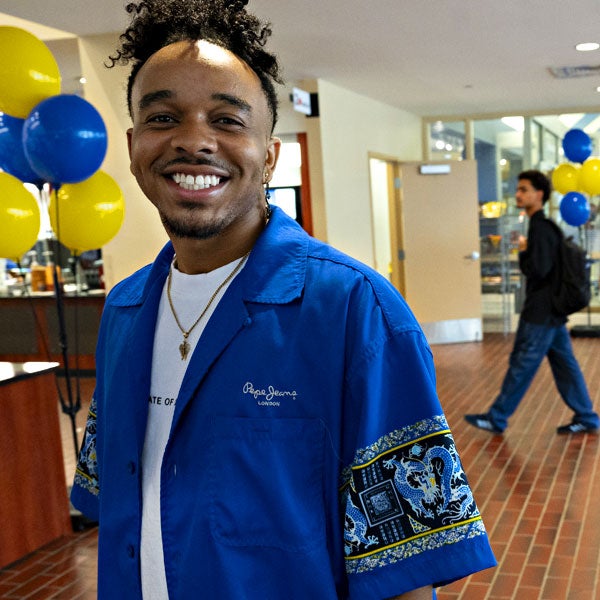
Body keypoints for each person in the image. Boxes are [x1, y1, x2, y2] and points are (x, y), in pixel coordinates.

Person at [70, 1, 496, 598]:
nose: (194, 141)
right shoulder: (124, 311)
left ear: (269, 155)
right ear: (135, 145)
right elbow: (116, 504)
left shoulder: (354, 311)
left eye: (227, 119)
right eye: (164, 117)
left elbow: (405, 563)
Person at [465, 170, 599, 435]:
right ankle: (586, 416)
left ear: (539, 195)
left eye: (524, 189)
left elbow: (538, 269)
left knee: (522, 364)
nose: (518, 194)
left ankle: (497, 417)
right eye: (518, 189)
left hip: (541, 312)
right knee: (565, 365)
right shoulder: (544, 225)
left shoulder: (539, 227)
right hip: (551, 312)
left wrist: (524, 252)